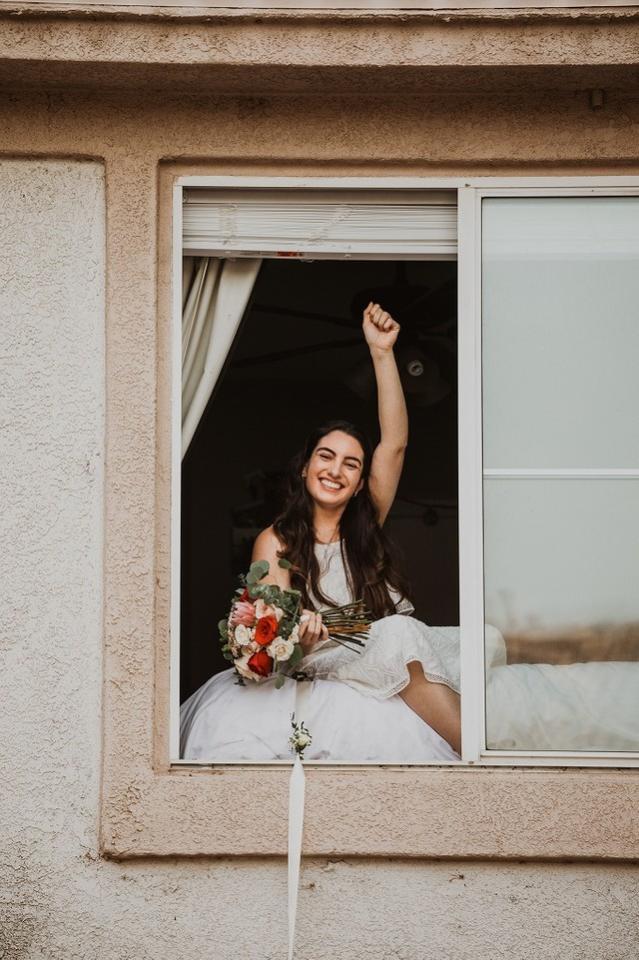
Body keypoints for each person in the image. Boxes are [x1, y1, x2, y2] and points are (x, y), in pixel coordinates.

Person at [180, 302, 461, 763]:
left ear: (357, 484)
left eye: (351, 464)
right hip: (318, 657)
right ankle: (473, 752)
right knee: (400, 634)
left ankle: (476, 748)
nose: (336, 470)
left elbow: (395, 443)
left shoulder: (365, 523)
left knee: (466, 639)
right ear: (307, 466)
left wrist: (383, 353)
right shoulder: (277, 541)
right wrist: (300, 637)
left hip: (369, 646)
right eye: (326, 457)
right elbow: (273, 641)